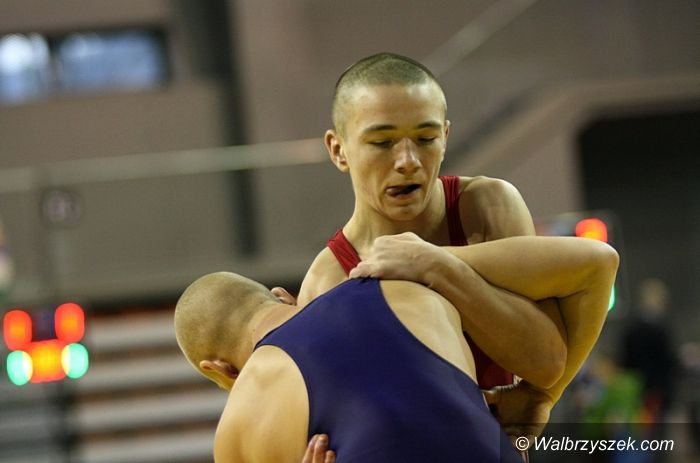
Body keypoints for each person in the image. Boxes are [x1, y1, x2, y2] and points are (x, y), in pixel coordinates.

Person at [291, 52, 605, 434]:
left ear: (446, 137)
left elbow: (545, 363)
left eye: (425, 138)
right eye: (382, 142)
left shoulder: (487, 207)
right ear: (338, 150)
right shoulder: (327, 281)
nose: (408, 161)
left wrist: (437, 266)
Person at [174, 235, 618, 462]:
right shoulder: (404, 280)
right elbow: (598, 262)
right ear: (282, 296)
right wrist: (542, 396)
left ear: (219, 370)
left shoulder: (237, 430)